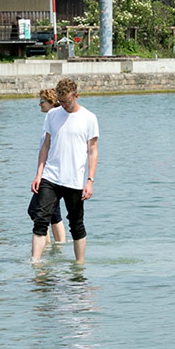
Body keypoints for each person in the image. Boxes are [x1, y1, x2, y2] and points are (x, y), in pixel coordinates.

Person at [29, 77, 99, 263]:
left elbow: (92, 151)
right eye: (60, 101)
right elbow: (45, 146)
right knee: (40, 218)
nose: (63, 105)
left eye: (67, 101)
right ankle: (35, 262)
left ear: (76, 96)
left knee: (76, 224)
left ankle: (79, 264)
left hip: (75, 179)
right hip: (50, 176)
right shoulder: (52, 115)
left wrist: (90, 180)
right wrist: (38, 174)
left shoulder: (89, 118)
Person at [30, 85, 69, 246]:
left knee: (36, 210)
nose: (40, 104)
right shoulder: (53, 120)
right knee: (52, 212)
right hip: (50, 174)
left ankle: (46, 245)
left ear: (52, 103)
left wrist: (41, 175)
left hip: (50, 175)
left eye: (42, 101)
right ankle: (59, 245)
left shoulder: (54, 121)